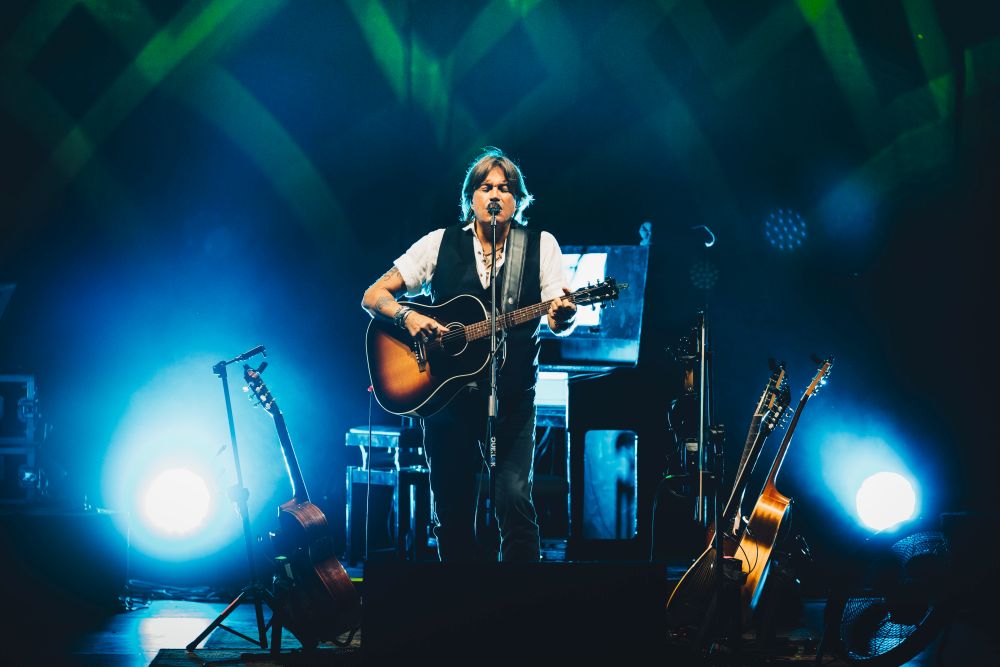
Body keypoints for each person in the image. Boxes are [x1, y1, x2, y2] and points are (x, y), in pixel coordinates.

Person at [361, 147, 577, 562]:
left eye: (505, 188)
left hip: (512, 398)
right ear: (470, 197)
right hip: (446, 399)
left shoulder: (540, 245)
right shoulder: (438, 243)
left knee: (515, 501)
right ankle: (459, 598)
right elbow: (373, 296)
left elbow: (556, 315)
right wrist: (408, 317)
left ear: (518, 199)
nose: (495, 195)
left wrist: (563, 314)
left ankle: (522, 598)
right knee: (452, 511)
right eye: (485, 187)